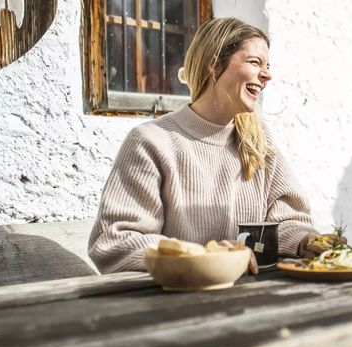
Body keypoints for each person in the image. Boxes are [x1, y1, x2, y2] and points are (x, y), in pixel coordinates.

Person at [88, 18, 321, 274]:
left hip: (251, 298)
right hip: (177, 304)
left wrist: (305, 242)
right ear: (213, 64)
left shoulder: (258, 142)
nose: (267, 75)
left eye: (267, 65)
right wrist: (205, 256)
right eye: (254, 62)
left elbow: (286, 220)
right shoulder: (152, 141)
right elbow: (115, 241)